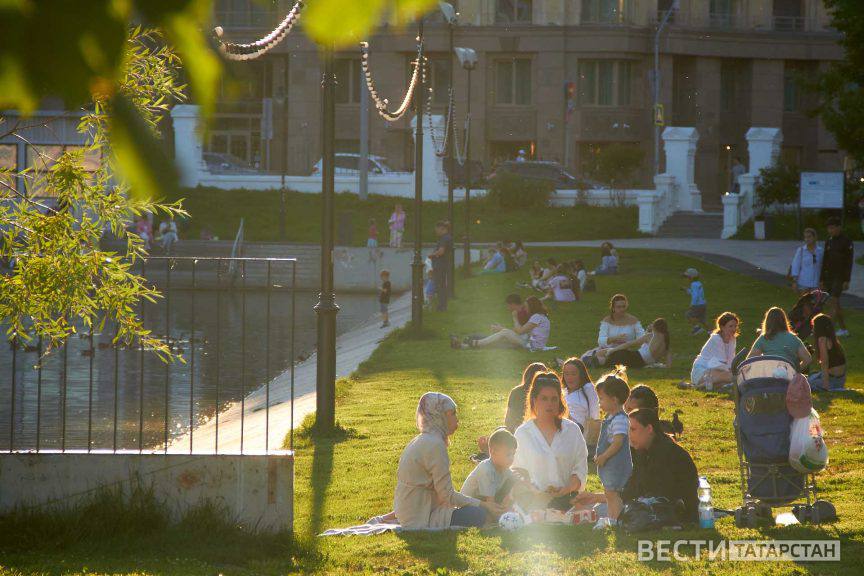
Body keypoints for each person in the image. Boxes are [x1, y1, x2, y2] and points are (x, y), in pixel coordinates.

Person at [391, 392, 504, 528]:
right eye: (452, 414)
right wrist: (484, 504)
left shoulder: (425, 439)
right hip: (420, 515)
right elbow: (447, 495)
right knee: (478, 514)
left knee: (477, 511)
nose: (457, 420)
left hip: (413, 510)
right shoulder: (434, 444)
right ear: (438, 416)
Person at [574, 408, 699, 524]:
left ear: (649, 429)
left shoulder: (666, 453)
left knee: (599, 510)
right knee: (594, 507)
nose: (629, 435)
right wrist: (597, 497)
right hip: (653, 506)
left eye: (633, 429)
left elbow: (644, 493)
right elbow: (633, 488)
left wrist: (602, 498)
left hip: (672, 511)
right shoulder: (644, 450)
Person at [512, 371, 589, 511]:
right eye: (544, 398)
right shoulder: (523, 433)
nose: (550, 404)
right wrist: (534, 490)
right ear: (534, 400)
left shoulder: (572, 430)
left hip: (567, 498)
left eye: (554, 399)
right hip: (533, 500)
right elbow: (517, 471)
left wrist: (566, 489)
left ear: (560, 401)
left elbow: (580, 469)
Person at [594, 369, 633, 523]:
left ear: (614, 399)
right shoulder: (611, 417)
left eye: (601, 399)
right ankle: (612, 519)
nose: (599, 402)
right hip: (610, 464)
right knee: (609, 493)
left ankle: (616, 520)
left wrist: (604, 456)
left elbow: (618, 442)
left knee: (613, 494)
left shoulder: (619, 419)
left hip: (616, 464)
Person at [457, 296, 551, 351]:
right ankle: (466, 345)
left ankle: (476, 343)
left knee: (504, 334)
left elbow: (520, 331)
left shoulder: (536, 317)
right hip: (531, 344)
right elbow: (520, 332)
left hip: (532, 346)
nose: (526, 309)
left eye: (527, 307)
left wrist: (514, 318)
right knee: (501, 338)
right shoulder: (540, 317)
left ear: (532, 306)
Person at [461, 428, 518, 510]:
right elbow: (490, 504)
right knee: (486, 514)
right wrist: (502, 514)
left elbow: (516, 482)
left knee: (514, 480)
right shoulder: (486, 469)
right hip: (468, 506)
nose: (512, 458)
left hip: (486, 501)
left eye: (513, 454)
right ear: (493, 452)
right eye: (508, 454)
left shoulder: (504, 467)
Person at [685, 311, 740, 391]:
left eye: (735, 326)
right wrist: (731, 373)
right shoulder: (716, 339)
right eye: (730, 326)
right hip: (701, 371)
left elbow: (731, 362)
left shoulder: (732, 340)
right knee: (731, 377)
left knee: (729, 379)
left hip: (715, 371)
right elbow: (721, 364)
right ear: (722, 327)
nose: (734, 329)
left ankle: (700, 386)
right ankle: (697, 386)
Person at [820, 216, 854, 336]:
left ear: (839, 227)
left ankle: (827, 331)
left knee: (834, 301)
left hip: (840, 277)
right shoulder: (828, 241)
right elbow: (824, 260)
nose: (830, 230)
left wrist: (847, 280)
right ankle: (844, 329)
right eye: (829, 228)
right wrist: (822, 279)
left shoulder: (847, 241)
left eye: (832, 228)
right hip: (829, 276)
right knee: (835, 303)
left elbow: (849, 262)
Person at [597, 318, 671, 369]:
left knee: (603, 355)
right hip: (639, 363)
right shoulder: (665, 344)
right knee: (603, 354)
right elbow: (668, 365)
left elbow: (629, 344)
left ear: (655, 326)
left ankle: (589, 361)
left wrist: (613, 350)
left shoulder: (650, 336)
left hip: (632, 357)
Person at [561, 357, 600, 436]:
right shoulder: (563, 391)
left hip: (581, 432)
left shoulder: (588, 388)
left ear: (581, 374)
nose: (569, 378)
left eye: (573, 374)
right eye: (566, 374)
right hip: (563, 429)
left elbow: (595, 413)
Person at [809, 313, 847, 392]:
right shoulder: (832, 339)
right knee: (811, 375)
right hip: (841, 380)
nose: (813, 330)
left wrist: (825, 386)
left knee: (803, 383)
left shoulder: (822, 340)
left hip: (832, 381)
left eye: (814, 327)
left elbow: (824, 363)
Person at [428, 221, 452, 311]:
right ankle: (442, 305)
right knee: (441, 285)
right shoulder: (448, 237)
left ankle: (441, 306)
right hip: (443, 264)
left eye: (437, 229)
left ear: (442, 228)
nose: (436, 231)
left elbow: (441, 251)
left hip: (440, 265)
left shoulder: (444, 238)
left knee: (440, 285)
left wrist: (432, 255)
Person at [790, 228, 823, 293]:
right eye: (805, 237)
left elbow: (823, 266)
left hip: (816, 283)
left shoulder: (821, 251)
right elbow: (795, 266)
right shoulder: (801, 250)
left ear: (815, 237)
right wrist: (794, 282)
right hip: (803, 283)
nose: (807, 239)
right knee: (804, 302)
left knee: (815, 302)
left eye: (809, 237)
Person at [682, 268, 708, 335]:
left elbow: (695, 296)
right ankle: (711, 332)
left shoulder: (693, 285)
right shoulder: (698, 283)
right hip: (703, 304)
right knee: (702, 320)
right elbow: (695, 293)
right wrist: (687, 290)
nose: (686, 278)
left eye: (687, 277)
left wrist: (692, 304)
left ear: (691, 277)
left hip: (697, 305)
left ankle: (697, 328)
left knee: (688, 315)